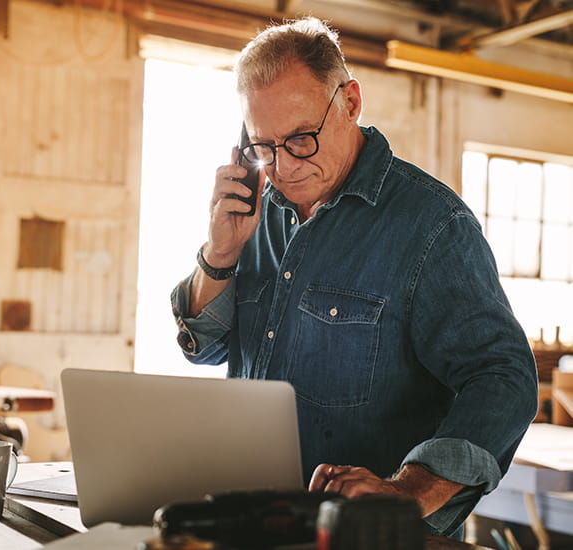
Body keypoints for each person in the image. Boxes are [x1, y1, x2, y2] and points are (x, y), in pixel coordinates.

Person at [171, 16, 537, 538]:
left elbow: (504, 380)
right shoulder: (256, 212)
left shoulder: (432, 226)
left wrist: (407, 492)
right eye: (263, 146)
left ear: (350, 102)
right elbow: (201, 347)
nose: (283, 167)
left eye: (300, 139)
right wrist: (220, 252)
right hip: (255, 523)